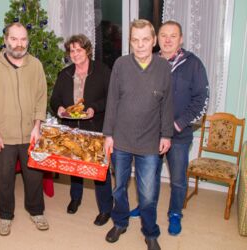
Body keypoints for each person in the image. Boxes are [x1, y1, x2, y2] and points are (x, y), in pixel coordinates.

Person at [128, 20, 209, 236]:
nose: (167, 39)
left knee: (178, 179)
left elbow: (201, 100)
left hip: (179, 134)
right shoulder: (150, 62)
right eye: (163, 35)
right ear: (157, 39)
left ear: (180, 39)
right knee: (148, 176)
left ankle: (175, 214)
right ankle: (146, 207)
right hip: (151, 134)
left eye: (173, 35)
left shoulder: (194, 64)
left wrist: (176, 124)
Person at [103, 19, 173, 250]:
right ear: (130, 42)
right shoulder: (121, 65)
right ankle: (120, 222)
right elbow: (112, 101)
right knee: (119, 188)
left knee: (148, 194)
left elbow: (167, 104)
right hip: (121, 140)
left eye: (145, 39)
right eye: (135, 40)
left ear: (153, 41)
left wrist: (166, 134)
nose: (140, 45)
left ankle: (150, 232)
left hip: (150, 143)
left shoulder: (163, 68)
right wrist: (108, 135)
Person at [0, 22, 48, 236]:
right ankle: (5, 216)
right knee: (4, 178)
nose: (19, 44)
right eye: (14, 39)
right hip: (3, 134)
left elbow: (41, 97)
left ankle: (36, 211)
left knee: (34, 177)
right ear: (6, 40)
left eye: (23, 39)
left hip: (31, 133)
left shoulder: (36, 65)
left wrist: (38, 126)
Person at [50, 34, 113, 225]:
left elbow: (111, 97)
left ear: (87, 50)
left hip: (95, 128)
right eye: (72, 50)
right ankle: (75, 199)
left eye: (79, 49)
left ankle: (105, 208)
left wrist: (94, 107)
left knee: (99, 171)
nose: (75, 54)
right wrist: (60, 109)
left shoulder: (102, 71)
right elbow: (55, 99)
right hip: (72, 128)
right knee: (74, 167)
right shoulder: (65, 74)